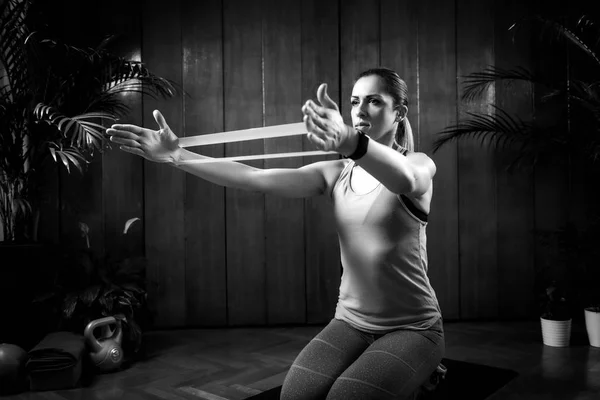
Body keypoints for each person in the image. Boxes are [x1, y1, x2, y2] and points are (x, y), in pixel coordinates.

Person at [106, 67, 444, 400]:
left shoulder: (418, 163)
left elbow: (405, 180)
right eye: (355, 102)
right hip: (351, 323)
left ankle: (421, 372)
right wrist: (177, 156)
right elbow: (255, 177)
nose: (359, 110)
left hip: (412, 328)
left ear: (399, 112)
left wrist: (353, 142)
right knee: (295, 396)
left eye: (374, 101)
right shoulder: (337, 173)